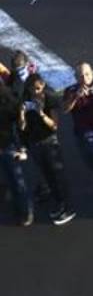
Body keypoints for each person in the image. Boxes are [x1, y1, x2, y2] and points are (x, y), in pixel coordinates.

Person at [18, 75, 74, 225]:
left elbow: (54, 126)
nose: (35, 92)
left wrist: (41, 113)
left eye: (37, 88)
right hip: (35, 144)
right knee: (48, 177)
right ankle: (59, 204)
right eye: (31, 89)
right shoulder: (26, 100)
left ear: (43, 86)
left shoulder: (49, 100)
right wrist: (22, 115)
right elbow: (22, 128)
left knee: (57, 176)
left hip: (49, 142)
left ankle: (68, 207)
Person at [62, 63, 93, 208]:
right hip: (80, 134)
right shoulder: (71, 90)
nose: (85, 78)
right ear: (76, 77)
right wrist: (76, 97)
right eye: (81, 75)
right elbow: (65, 109)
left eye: (87, 74)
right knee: (89, 163)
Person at [0, 80, 33, 226]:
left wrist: (22, 149)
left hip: (9, 147)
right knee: (10, 179)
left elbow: (19, 128)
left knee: (18, 181)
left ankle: (26, 211)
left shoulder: (9, 102)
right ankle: (19, 208)